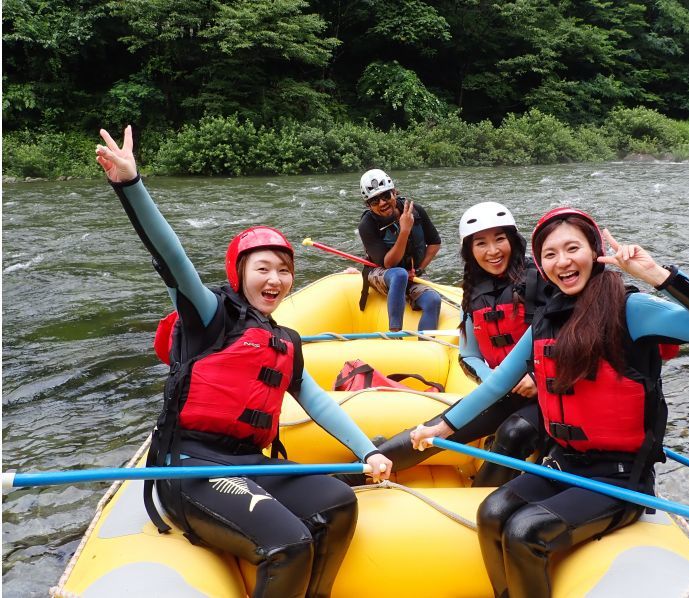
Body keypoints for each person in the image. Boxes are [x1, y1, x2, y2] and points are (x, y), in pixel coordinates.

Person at [95, 126, 392, 598]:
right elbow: (173, 257)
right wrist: (130, 184)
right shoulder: (211, 315)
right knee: (288, 543)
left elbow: (317, 400)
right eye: (263, 269)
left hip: (249, 462)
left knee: (338, 503)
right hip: (191, 467)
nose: (275, 279)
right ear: (240, 274)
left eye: (284, 270)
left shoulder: (285, 341)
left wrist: (367, 451)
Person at [411, 206, 689, 597]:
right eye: (550, 254)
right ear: (540, 262)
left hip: (620, 478)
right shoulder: (548, 319)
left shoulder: (630, 309)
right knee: (492, 513)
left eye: (573, 249)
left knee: (525, 531)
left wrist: (657, 276)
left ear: (595, 251)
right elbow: (495, 386)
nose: (563, 262)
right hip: (562, 463)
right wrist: (441, 427)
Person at [341, 202, 548, 487]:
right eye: (481, 243)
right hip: (505, 391)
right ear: (469, 250)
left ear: (514, 239)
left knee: (514, 433)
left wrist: (538, 375)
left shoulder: (541, 280)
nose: (493, 251)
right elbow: (469, 355)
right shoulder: (474, 290)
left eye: (500, 239)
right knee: (430, 432)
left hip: (551, 392)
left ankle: (479, 498)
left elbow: (569, 336)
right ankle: (345, 477)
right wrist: (498, 384)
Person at [357, 168, 442, 331]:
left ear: (394, 192)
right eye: (374, 201)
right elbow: (388, 263)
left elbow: (435, 243)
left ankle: (426, 346)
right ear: (369, 205)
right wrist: (404, 231)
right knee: (399, 274)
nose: (382, 203)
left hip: (411, 275)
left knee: (433, 300)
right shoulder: (367, 225)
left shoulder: (415, 211)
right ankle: (395, 332)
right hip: (382, 274)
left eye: (386, 196)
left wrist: (419, 270)